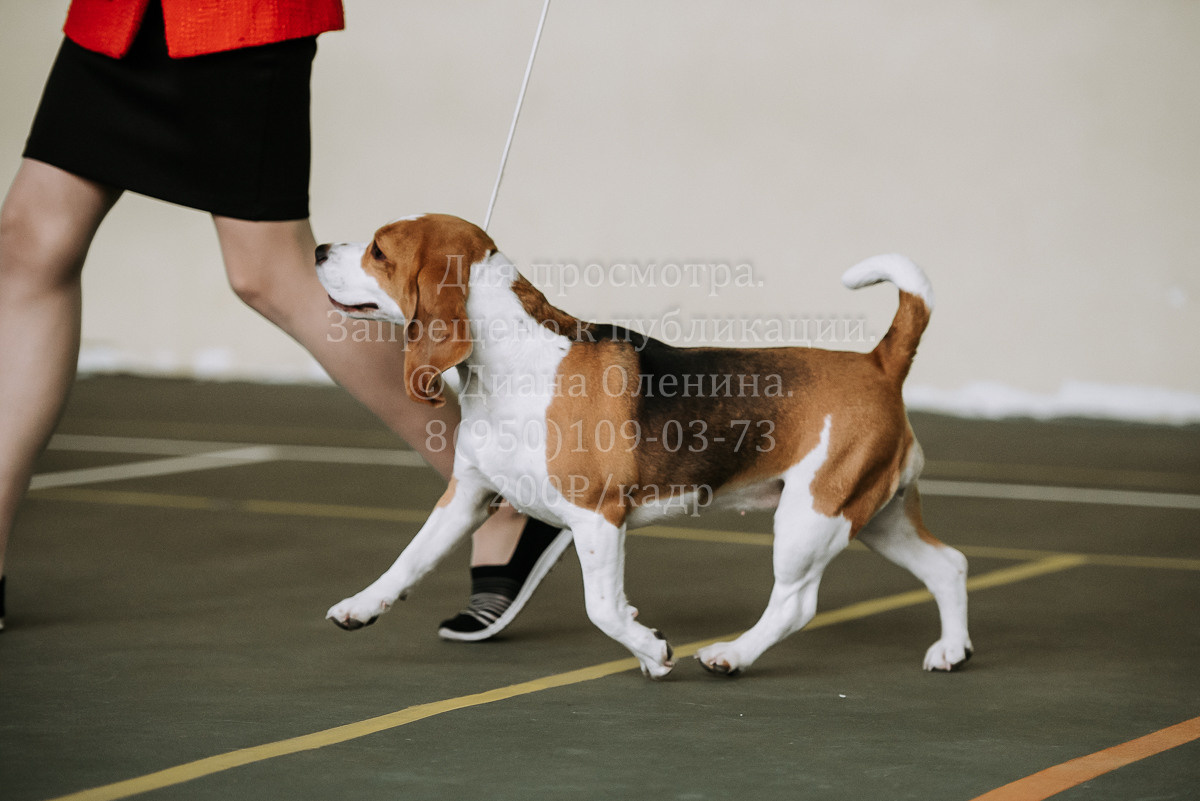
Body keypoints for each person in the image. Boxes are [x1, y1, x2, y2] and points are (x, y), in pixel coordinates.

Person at [0, 0, 571, 638]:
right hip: (120, 17)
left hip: (228, 17)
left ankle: (502, 492)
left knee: (270, 273)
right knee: (29, 242)